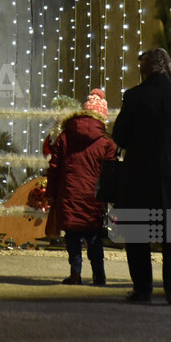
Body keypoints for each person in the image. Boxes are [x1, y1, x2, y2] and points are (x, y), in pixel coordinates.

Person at [112, 48, 171, 304]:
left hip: (140, 173)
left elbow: (120, 136)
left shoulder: (134, 97)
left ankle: (143, 288)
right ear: (170, 68)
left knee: (138, 234)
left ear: (144, 70)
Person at [45, 89, 117, 286]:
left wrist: (50, 192)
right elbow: (111, 172)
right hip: (93, 196)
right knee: (93, 236)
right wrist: (112, 197)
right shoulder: (106, 142)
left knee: (72, 236)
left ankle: (75, 273)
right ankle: (99, 275)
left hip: (69, 193)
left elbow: (54, 166)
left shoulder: (65, 136)